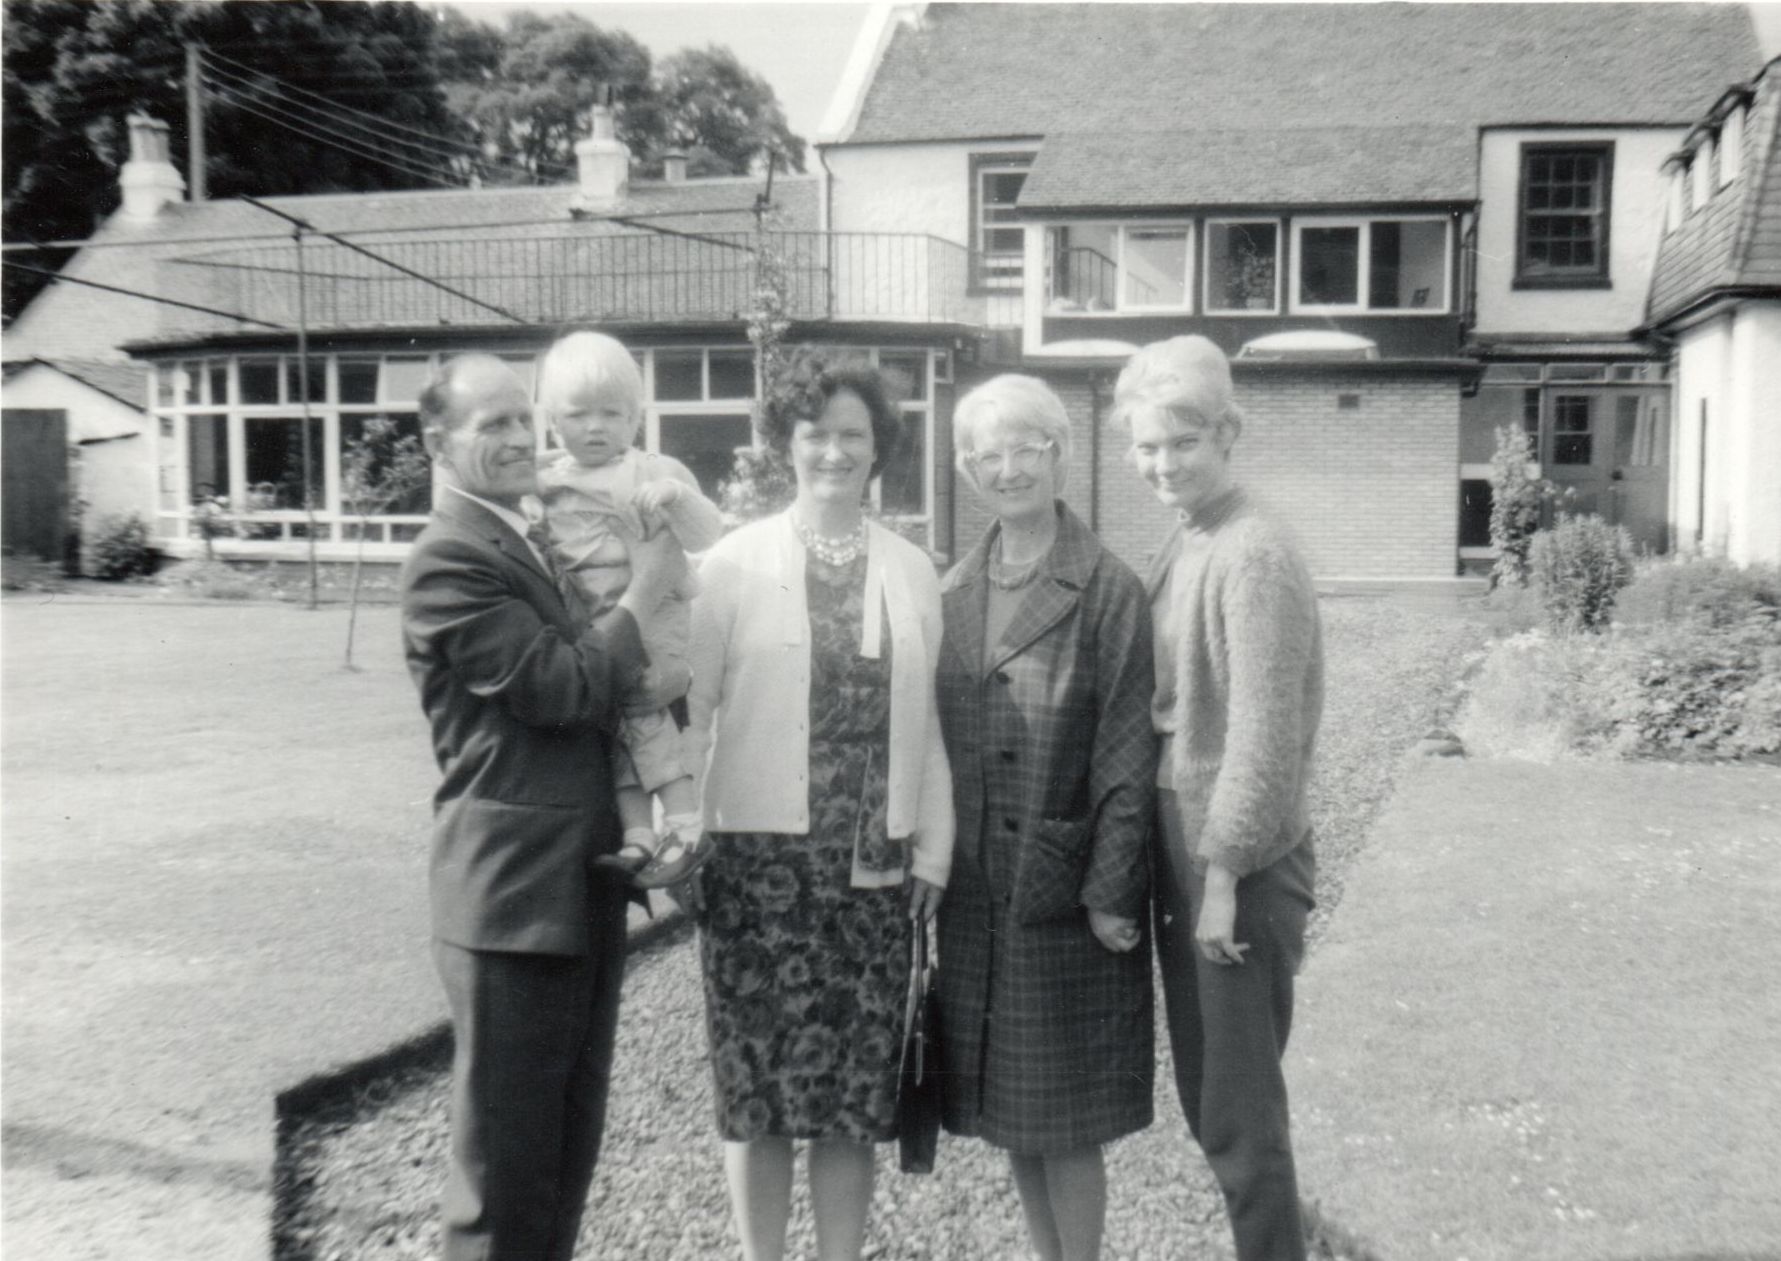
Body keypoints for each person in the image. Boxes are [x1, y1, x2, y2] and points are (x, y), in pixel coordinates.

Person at [399, 353, 686, 1261]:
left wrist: (643, 823)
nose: (523, 437)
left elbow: (604, 702)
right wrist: (644, 589)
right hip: (512, 905)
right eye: (494, 425)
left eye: (525, 417)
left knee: (564, 1154)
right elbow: (563, 687)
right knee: (502, 1175)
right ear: (438, 444)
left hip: (582, 885)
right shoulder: (449, 557)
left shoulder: (529, 537)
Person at [684, 350, 953, 1261]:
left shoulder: (915, 569)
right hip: (755, 872)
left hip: (870, 870)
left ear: (879, 449)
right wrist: (675, 830)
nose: (833, 452)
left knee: (850, 1097)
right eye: (815, 434)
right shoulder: (729, 565)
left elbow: (930, 725)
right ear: (783, 444)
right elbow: (691, 712)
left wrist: (933, 849)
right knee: (755, 1090)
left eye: (853, 435)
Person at [932, 374, 1156, 1261]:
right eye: (986, 453)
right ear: (965, 468)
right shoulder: (951, 586)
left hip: (1060, 892)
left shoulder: (1106, 587)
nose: (1007, 467)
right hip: (977, 893)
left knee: (1065, 1117)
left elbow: (1128, 750)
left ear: (1060, 452)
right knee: (1012, 1110)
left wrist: (1110, 890)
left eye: (1026, 446)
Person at [1113, 336, 1324, 1261]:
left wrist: (1226, 873)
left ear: (1227, 432)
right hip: (1181, 837)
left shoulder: (1253, 552)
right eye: (1145, 446)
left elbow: (1264, 733)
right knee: (1210, 1097)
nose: (1161, 464)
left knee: (1238, 1110)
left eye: (1181, 443)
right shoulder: (1189, 535)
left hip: (1230, 857)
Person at [535, 329, 725, 887]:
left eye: (613, 414)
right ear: (552, 418)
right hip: (596, 627)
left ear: (635, 418)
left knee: (644, 714)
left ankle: (687, 829)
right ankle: (639, 838)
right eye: (579, 414)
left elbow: (705, 532)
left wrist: (677, 497)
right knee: (610, 727)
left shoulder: (651, 471)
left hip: (652, 623)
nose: (596, 427)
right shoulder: (548, 481)